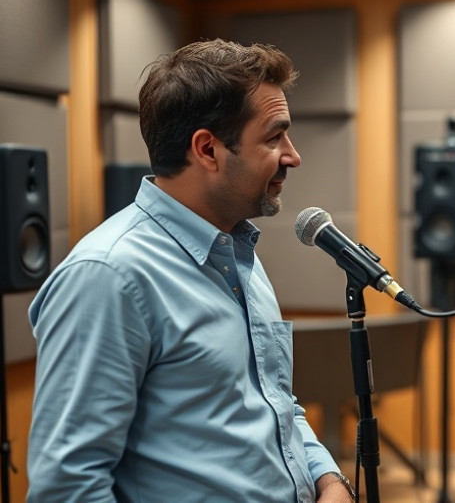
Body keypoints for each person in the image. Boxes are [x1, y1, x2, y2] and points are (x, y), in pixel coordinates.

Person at [27, 39, 353, 502]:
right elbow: (68, 484)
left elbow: (273, 404)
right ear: (207, 149)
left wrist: (328, 479)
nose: (293, 156)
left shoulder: (239, 253)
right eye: (274, 136)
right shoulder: (108, 277)